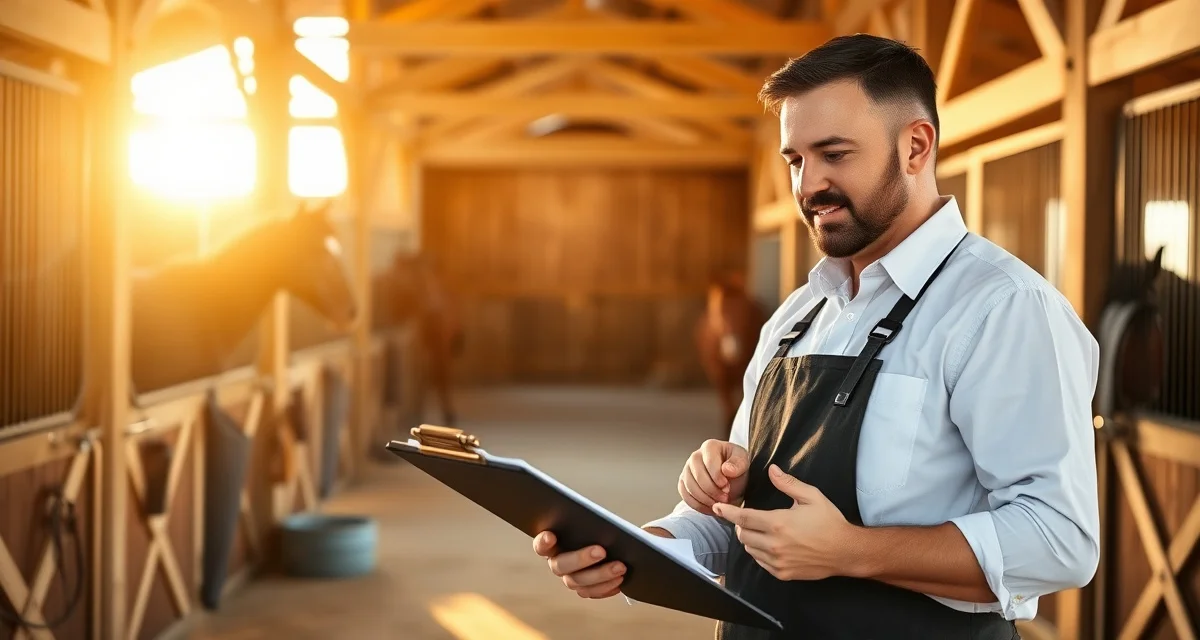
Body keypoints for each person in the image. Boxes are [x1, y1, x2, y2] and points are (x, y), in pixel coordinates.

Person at [531, 33, 1100, 639]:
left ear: (915, 146)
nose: (806, 187)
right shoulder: (796, 317)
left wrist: (855, 551)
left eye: (834, 154)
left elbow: (1061, 540)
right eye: (795, 160)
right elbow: (743, 527)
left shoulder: (1003, 308)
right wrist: (641, 551)